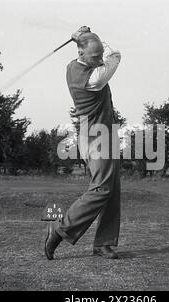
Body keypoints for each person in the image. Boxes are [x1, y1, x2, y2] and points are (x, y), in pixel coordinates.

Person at [44, 26, 122, 260]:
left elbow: (97, 54)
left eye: (99, 56)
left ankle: (103, 243)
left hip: (101, 133)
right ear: (80, 53)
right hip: (98, 137)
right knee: (101, 189)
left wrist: (84, 38)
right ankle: (60, 229)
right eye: (95, 56)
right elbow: (115, 56)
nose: (99, 60)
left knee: (112, 189)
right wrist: (97, 40)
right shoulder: (95, 78)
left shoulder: (73, 65)